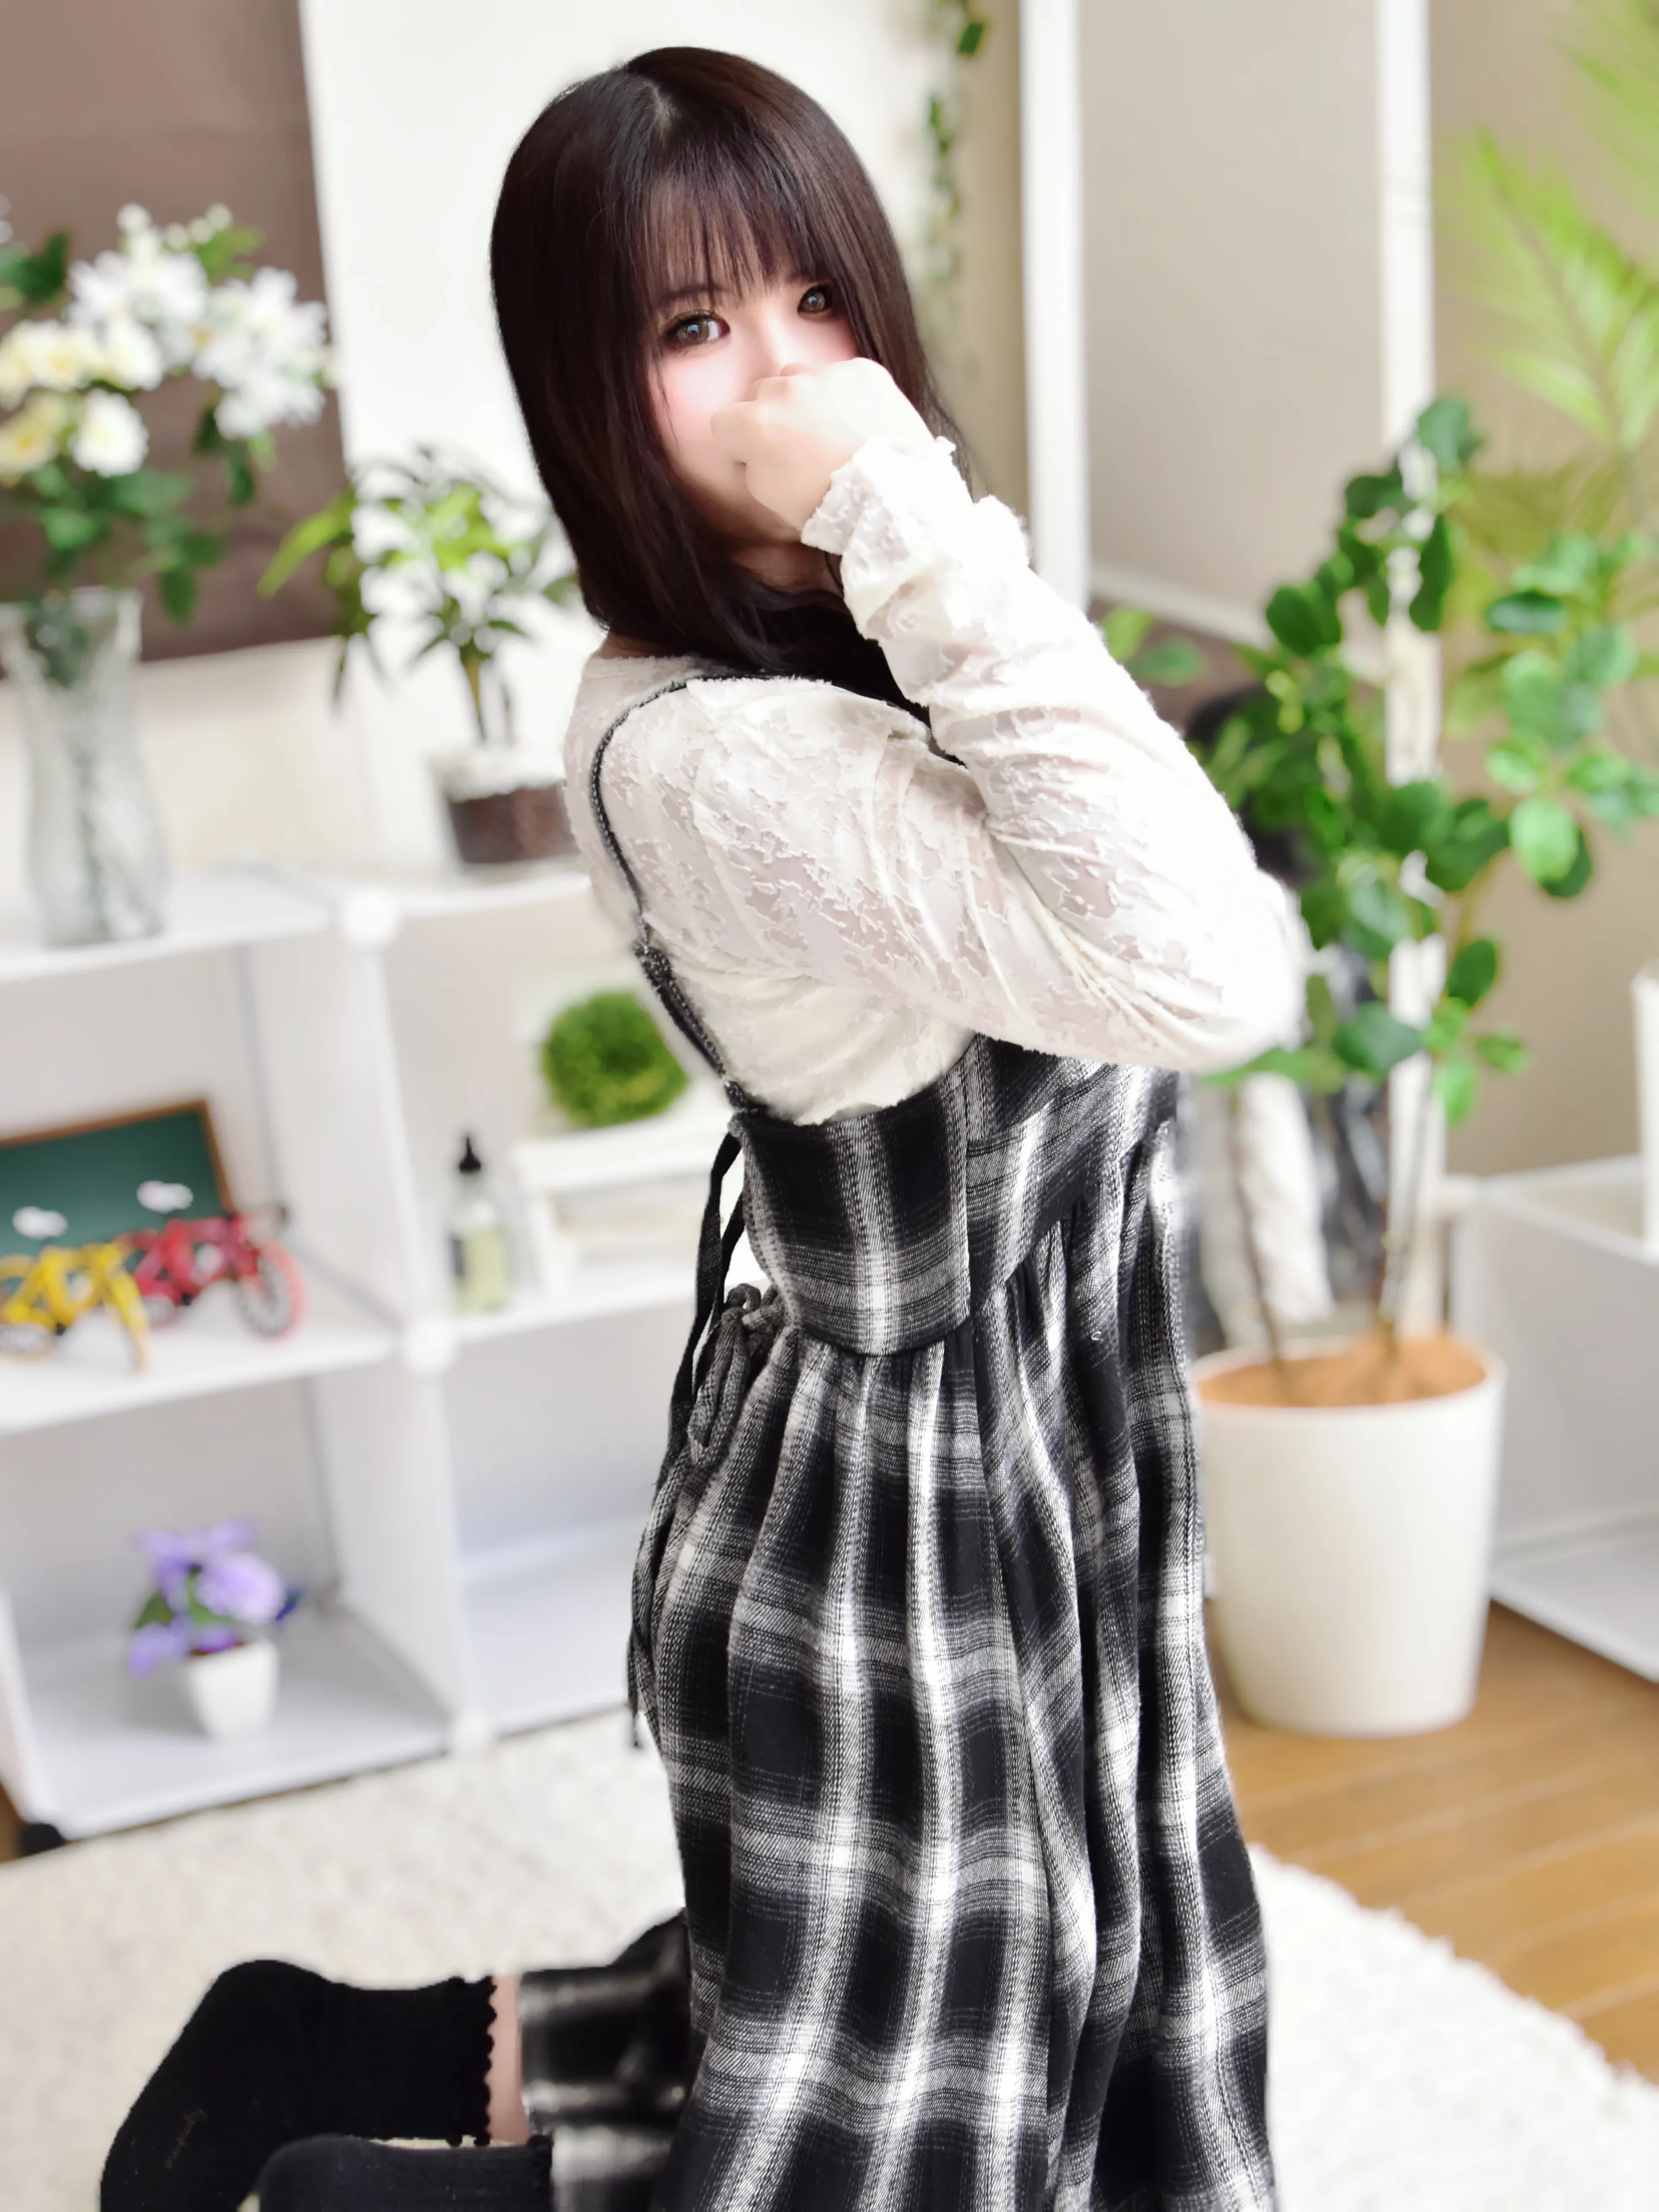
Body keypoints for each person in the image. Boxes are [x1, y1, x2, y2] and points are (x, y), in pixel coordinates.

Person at [103, 46, 1298, 2212]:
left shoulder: (860, 632)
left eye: (818, 298)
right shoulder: (711, 753)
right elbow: (1211, 972)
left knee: (894, 2017)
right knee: (911, 2108)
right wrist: (909, 502)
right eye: (693, 327)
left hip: (1022, 1449)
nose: (789, 381)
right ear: (588, 392)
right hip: (913, 1510)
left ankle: (312, 2062)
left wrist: (908, 545)